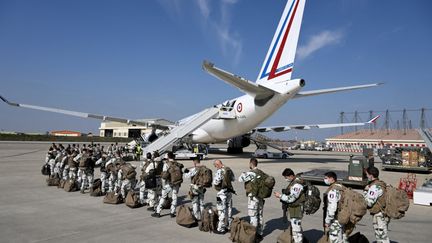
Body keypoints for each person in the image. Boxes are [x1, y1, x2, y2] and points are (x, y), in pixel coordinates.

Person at [273, 168, 305, 243]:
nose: (286, 179)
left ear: (291, 176)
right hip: (294, 208)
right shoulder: (294, 182)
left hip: (297, 209)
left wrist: (280, 196)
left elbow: (291, 199)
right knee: (295, 228)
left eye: (286, 177)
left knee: (296, 229)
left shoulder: (297, 185)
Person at [238, 158, 265, 240]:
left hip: (253, 197)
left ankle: (253, 235)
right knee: (260, 215)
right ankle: (260, 233)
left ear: (251, 164)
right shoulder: (261, 173)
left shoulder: (250, 173)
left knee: (253, 216)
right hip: (260, 196)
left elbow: (240, 179)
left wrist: (243, 173)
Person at [152, 152, 183, 218]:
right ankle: (172, 213)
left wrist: (163, 185)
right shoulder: (178, 164)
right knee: (174, 197)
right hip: (176, 183)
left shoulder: (166, 164)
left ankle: (158, 212)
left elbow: (164, 176)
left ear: (168, 157)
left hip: (168, 184)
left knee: (163, 197)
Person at [364, 166, 390, 243]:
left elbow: (369, 203)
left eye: (367, 174)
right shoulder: (381, 183)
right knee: (380, 235)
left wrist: (365, 192)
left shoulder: (374, 187)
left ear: (371, 175)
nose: (366, 176)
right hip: (382, 214)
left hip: (379, 215)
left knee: (382, 237)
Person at [323, 171, 348, 243]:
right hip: (343, 217)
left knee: (335, 239)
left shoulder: (333, 191)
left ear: (332, 179)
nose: (325, 180)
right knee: (342, 238)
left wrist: (327, 221)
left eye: (326, 178)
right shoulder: (342, 187)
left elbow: (332, 208)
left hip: (336, 219)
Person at [212, 159, 235, 234]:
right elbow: (233, 179)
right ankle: (228, 226)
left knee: (221, 210)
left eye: (216, 166)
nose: (216, 168)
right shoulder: (228, 169)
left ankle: (221, 228)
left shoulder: (220, 171)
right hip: (229, 192)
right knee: (229, 209)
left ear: (218, 164)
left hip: (221, 193)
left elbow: (216, 182)